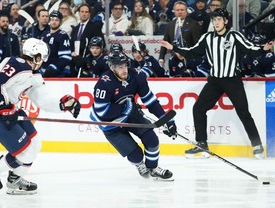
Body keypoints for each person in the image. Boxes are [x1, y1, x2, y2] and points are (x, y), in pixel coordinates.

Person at [159, 8, 275, 159]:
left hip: (232, 80)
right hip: (214, 81)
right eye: (214, 20)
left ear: (225, 21)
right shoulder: (208, 37)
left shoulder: (234, 35)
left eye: (219, 19)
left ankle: (257, 145)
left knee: (243, 112)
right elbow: (193, 52)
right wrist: (173, 48)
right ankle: (202, 144)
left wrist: (262, 48)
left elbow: (249, 49)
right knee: (198, 109)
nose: (216, 22)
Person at [0, 38, 81, 195]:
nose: (43, 61)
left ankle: (15, 180)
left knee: (35, 144)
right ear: (36, 55)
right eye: (42, 57)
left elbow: (42, 100)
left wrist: (62, 104)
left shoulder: (34, 76)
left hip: (12, 111)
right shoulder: (16, 64)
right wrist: (4, 108)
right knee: (24, 151)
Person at [89, 51, 177, 180]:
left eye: (125, 65)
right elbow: (103, 112)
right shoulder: (104, 83)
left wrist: (168, 121)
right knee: (136, 155)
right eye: (119, 67)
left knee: (152, 140)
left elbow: (151, 101)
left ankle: (153, 168)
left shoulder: (136, 77)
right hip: (110, 124)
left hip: (130, 115)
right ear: (112, 68)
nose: (124, 70)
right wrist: (127, 108)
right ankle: (140, 165)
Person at [158, 1, 201, 68]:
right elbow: (165, 42)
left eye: (182, 10)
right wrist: (161, 58)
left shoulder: (193, 24)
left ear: (186, 11)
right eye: (177, 10)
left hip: (189, 59)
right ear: (174, 11)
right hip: (174, 59)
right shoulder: (170, 24)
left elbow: (197, 43)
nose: (180, 12)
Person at [70, 3, 105, 77]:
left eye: (86, 12)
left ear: (89, 14)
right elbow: (72, 43)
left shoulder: (95, 27)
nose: (84, 14)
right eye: (82, 12)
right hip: (75, 60)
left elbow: (101, 44)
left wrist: (87, 58)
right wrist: (73, 53)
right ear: (79, 13)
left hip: (88, 62)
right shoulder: (75, 28)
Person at [41, 10, 72, 77]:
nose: (54, 22)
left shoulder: (63, 35)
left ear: (60, 22)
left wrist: (54, 68)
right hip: (44, 71)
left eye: (56, 20)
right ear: (49, 21)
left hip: (59, 73)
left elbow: (66, 57)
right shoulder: (44, 34)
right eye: (52, 20)